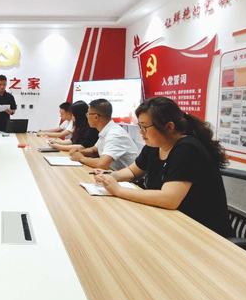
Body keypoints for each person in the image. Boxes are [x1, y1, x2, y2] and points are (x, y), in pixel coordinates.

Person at [94, 97, 233, 238]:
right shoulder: (154, 145)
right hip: (169, 221)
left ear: (169, 127)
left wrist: (118, 190)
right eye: (140, 126)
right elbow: (132, 171)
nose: (141, 132)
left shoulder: (187, 149)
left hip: (201, 231)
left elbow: (169, 199)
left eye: (145, 127)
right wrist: (110, 176)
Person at [70, 98, 138, 170]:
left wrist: (81, 158)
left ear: (96, 117)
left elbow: (102, 164)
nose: (86, 116)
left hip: (125, 176)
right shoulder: (106, 130)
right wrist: (79, 151)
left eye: (88, 114)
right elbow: (94, 150)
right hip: (112, 172)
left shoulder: (115, 134)